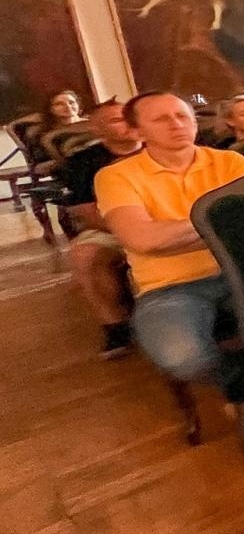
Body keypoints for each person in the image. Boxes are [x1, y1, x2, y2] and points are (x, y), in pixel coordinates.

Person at [93, 92, 244, 382]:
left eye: (182, 116)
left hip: (240, 271)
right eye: (161, 119)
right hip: (169, 287)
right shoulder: (116, 176)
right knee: (182, 357)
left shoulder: (231, 162)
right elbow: (142, 239)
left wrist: (172, 234)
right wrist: (219, 224)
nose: (176, 124)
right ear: (137, 131)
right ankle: (240, 386)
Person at [63, 99, 141, 357]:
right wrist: (130, 231)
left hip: (172, 220)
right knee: (84, 256)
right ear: (96, 130)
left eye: (130, 117)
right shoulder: (83, 161)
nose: (129, 123)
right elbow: (84, 211)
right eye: (117, 120)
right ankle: (115, 326)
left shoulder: (162, 149)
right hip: (110, 227)